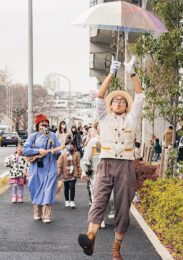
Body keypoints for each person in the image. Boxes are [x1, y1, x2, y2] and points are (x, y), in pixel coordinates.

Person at [78, 56, 144, 259]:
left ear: (126, 106)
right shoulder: (104, 117)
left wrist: (132, 72)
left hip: (125, 165)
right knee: (99, 201)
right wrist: (111, 74)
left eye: (122, 101)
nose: (118, 101)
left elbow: (140, 96)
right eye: (115, 100)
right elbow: (100, 97)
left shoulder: (132, 118)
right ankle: (91, 237)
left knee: (123, 206)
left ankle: (116, 248)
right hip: (106, 163)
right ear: (110, 105)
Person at [23, 114, 61, 223]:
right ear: (37, 125)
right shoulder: (33, 136)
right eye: (42, 124)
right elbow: (25, 150)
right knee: (35, 188)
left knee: (49, 189)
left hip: (50, 167)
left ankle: (47, 214)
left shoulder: (52, 136)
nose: (44, 126)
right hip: (36, 168)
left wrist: (55, 151)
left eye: (46, 124)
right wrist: (38, 151)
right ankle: (37, 211)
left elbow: (59, 149)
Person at [57, 138, 82, 209]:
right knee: (66, 187)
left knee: (72, 186)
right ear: (65, 145)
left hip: (74, 173)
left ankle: (72, 201)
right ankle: (67, 200)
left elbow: (78, 164)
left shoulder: (77, 154)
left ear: (74, 146)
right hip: (65, 174)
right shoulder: (63, 154)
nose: (70, 146)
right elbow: (59, 163)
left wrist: (79, 174)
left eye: (71, 144)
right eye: (68, 144)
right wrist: (59, 171)